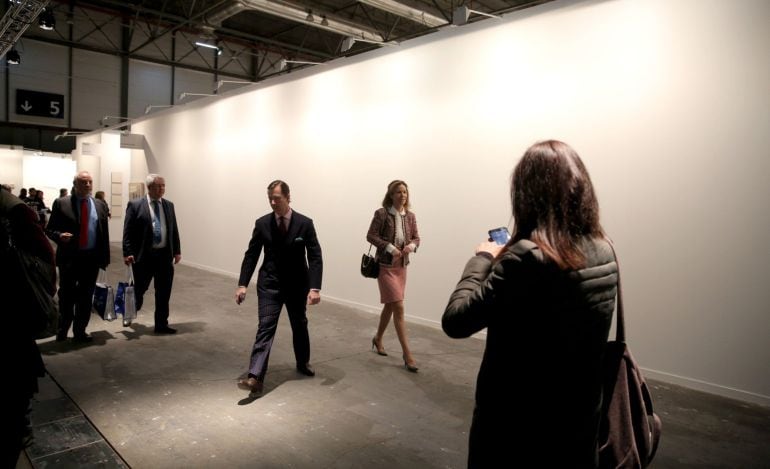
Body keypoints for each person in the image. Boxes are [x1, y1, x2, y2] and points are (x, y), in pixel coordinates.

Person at [441, 140, 619, 468]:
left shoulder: (528, 258)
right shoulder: (605, 248)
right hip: (579, 421)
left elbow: (456, 320)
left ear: (527, 193)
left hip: (517, 429)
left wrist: (483, 258)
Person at [235, 180, 323, 395]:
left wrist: (315, 288)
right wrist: (242, 283)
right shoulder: (263, 223)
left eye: (277, 198)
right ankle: (255, 376)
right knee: (265, 327)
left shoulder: (305, 223)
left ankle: (303, 362)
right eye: (270, 199)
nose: (273, 203)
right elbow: (252, 254)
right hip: (270, 285)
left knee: (299, 325)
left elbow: (315, 257)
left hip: (296, 286)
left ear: (288, 197)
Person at [1, 184, 56, 467]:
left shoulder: (15, 212)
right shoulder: (16, 212)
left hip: (13, 336)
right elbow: (47, 259)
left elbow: (46, 259)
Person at [46, 171, 110, 342]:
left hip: (91, 259)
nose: (88, 185)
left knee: (86, 296)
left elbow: (104, 234)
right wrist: (59, 236)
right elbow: (50, 229)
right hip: (69, 259)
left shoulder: (100, 205)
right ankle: (62, 329)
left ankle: (80, 331)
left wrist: (105, 258)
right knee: (67, 295)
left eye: (90, 182)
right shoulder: (62, 203)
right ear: (75, 184)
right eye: (83, 182)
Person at [366, 180, 420, 372]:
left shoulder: (411, 216)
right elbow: (371, 236)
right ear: (391, 194)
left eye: (405, 192)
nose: (402, 195)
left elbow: (416, 238)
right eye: (398, 192)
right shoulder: (381, 213)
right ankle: (407, 354)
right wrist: (389, 247)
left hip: (402, 267)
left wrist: (411, 246)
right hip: (385, 266)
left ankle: (378, 338)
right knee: (398, 306)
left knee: (390, 306)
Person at [122, 174, 181, 333]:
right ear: (149, 188)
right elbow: (128, 231)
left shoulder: (169, 205)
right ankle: (129, 313)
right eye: (158, 186)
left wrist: (177, 250)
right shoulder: (135, 205)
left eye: (163, 185)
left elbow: (173, 229)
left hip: (164, 256)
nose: (162, 188)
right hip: (144, 257)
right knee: (138, 290)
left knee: (163, 293)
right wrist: (127, 252)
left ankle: (161, 324)